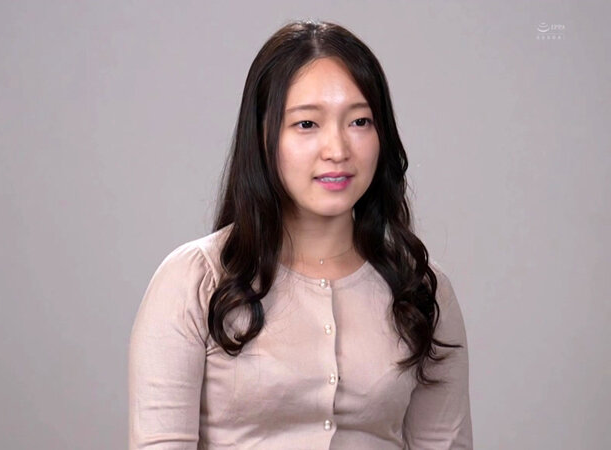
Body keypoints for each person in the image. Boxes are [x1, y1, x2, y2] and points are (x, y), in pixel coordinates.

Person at [128, 19, 472, 449]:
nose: (338, 150)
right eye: (307, 124)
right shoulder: (193, 281)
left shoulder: (420, 289)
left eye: (360, 121)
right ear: (263, 136)